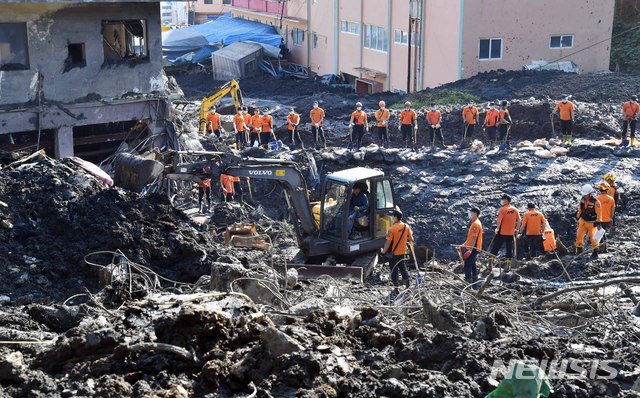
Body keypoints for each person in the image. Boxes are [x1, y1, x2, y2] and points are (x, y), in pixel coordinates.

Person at [381, 209, 413, 295]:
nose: (391, 218)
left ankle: (396, 289)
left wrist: (383, 252)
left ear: (395, 217)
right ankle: (408, 286)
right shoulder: (406, 226)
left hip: (393, 254)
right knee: (403, 268)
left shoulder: (392, 229)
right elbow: (410, 239)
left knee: (394, 270)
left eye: (392, 216)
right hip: (402, 253)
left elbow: (388, 242)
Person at [490, 194, 521, 272]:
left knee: (495, 247)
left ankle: (490, 263)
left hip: (502, 232)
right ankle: (507, 266)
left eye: (503, 199)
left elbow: (499, 221)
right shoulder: (515, 209)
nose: (502, 201)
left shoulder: (502, 209)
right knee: (509, 249)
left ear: (506, 200)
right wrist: (516, 229)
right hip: (510, 233)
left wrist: (497, 228)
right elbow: (519, 221)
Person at [575, 183, 602, 259]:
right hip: (582, 221)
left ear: (590, 193)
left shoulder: (596, 202)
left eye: (586, 194)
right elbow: (580, 209)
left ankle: (595, 253)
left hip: (592, 223)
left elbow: (599, 213)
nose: (584, 195)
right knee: (579, 237)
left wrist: (598, 222)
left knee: (594, 238)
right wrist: (578, 216)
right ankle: (578, 252)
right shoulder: (583, 200)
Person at [459, 207, 483, 286]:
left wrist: (470, 250)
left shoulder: (476, 224)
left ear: (475, 213)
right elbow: (470, 238)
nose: (469, 214)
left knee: (467, 266)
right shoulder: (474, 223)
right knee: (472, 265)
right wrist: (463, 245)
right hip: (472, 247)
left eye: (471, 213)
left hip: (473, 248)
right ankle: (475, 283)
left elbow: (474, 238)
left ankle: (468, 284)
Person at [597, 181, 615, 253]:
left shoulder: (596, 199)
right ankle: (604, 249)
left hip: (599, 220)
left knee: (600, 234)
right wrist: (611, 218)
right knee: (602, 233)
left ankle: (602, 249)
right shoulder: (611, 199)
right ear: (607, 189)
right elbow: (613, 210)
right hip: (607, 219)